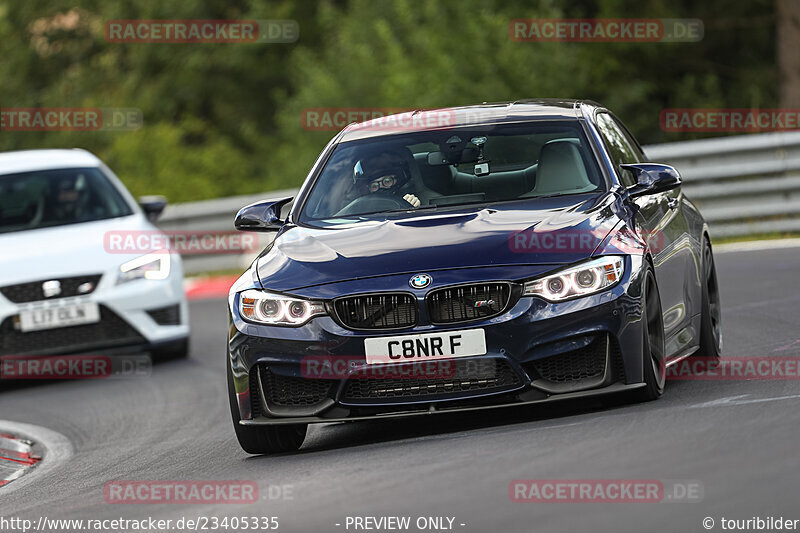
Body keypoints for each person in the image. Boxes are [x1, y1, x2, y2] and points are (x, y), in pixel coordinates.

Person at [353, 150, 420, 207]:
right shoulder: (362, 209)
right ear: (369, 189)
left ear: (398, 180)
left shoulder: (408, 201)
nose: (381, 187)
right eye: (374, 186)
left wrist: (412, 207)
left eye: (387, 181)